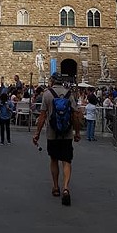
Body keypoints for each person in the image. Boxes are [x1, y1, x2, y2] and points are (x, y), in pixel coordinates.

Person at [33, 72, 80, 206]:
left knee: (54, 159)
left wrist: (37, 133)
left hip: (52, 133)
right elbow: (75, 115)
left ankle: (55, 187)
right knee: (66, 160)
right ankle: (66, 187)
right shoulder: (69, 94)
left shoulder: (47, 94)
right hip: (67, 133)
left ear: (52, 81)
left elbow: (42, 116)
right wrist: (77, 132)